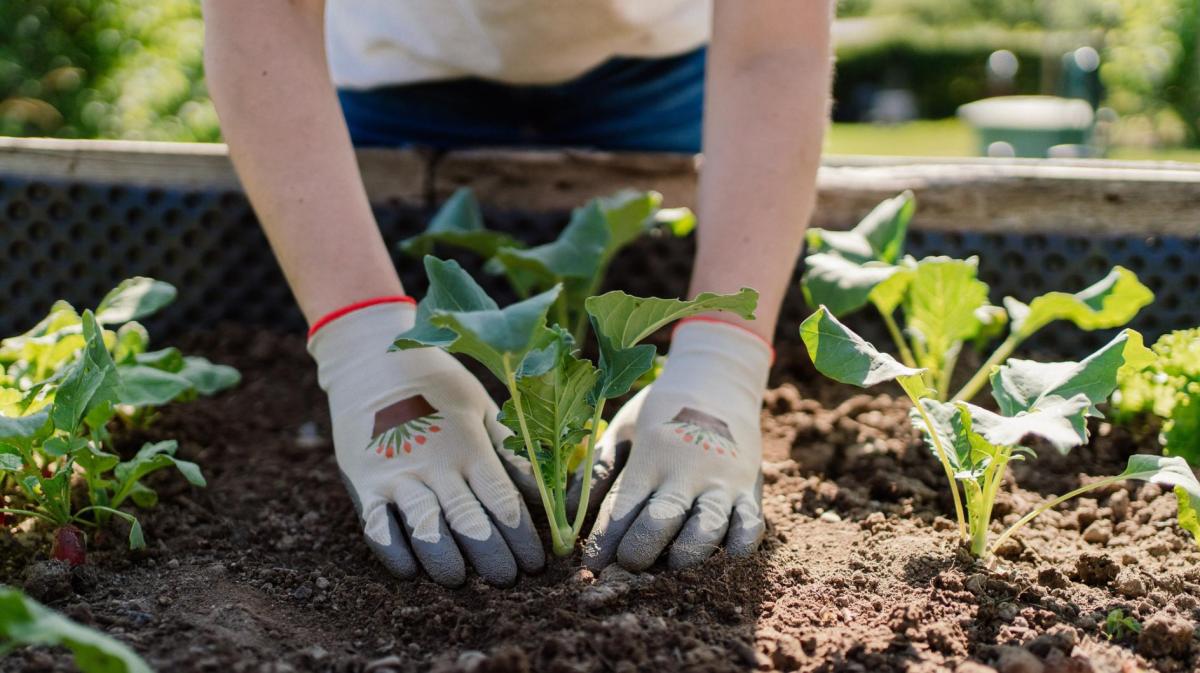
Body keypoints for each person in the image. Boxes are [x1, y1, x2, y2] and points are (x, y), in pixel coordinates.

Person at [201, 0, 833, 587]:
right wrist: (362, 344)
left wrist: (722, 361)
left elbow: (775, 43)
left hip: (661, 78)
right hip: (395, 79)